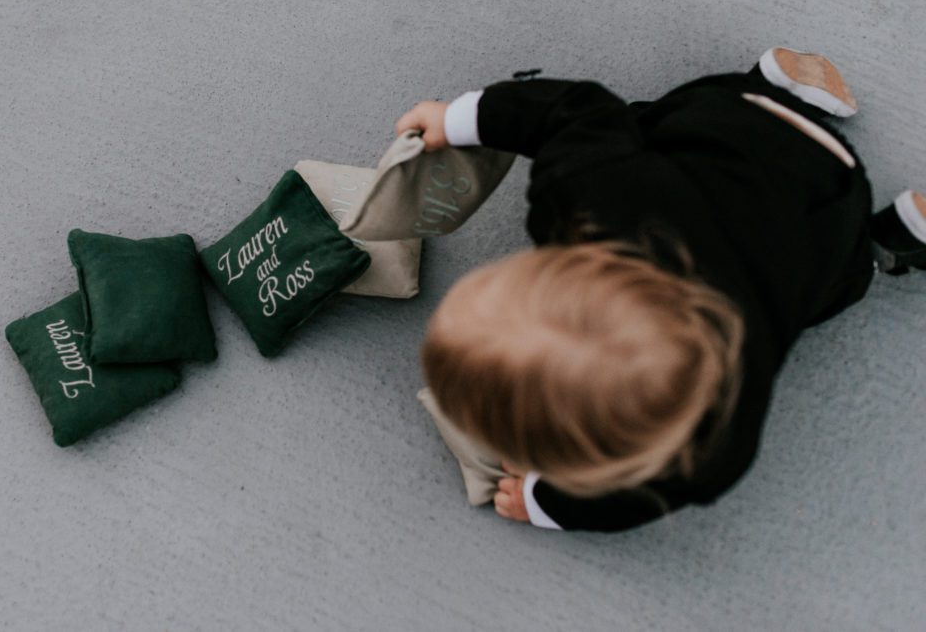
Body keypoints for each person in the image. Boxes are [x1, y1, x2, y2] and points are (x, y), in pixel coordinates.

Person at [397, 47, 926, 531]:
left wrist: (547, 503)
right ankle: (781, 90)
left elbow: (641, 496)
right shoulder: (587, 192)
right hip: (752, 130)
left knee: (829, 281)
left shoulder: (712, 440)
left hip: (826, 211)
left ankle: (880, 246)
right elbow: (570, 108)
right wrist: (461, 118)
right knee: (654, 127)